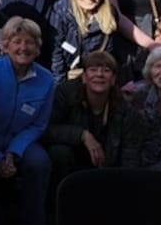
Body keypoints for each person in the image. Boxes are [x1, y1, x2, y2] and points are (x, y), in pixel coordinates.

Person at [0, 17, 55, 225]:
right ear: (5, 45)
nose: (23, 47)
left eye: (30, 42)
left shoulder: (46, 80)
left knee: (39, 162)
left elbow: (39, 124)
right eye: (17, 41)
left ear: (38, 48)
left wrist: (13, 153)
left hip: (21, 142)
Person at [44, 52, 146, 189]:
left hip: (107, 170)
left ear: (113, 79)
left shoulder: (125, 109)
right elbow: (47, 130)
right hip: (72, 164)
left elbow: (130, 155)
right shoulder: (66, 93)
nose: (99, 74)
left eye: (106, 70)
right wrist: (82, 135)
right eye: (93, 69)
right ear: (84, 77)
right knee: (58, 152)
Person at [48, 0, 119, 82]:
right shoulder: (60, 13)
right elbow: (56, 56)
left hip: (95, 78)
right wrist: (60, 89)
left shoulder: (110, 15)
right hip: (66, 78)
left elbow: (108, 56)